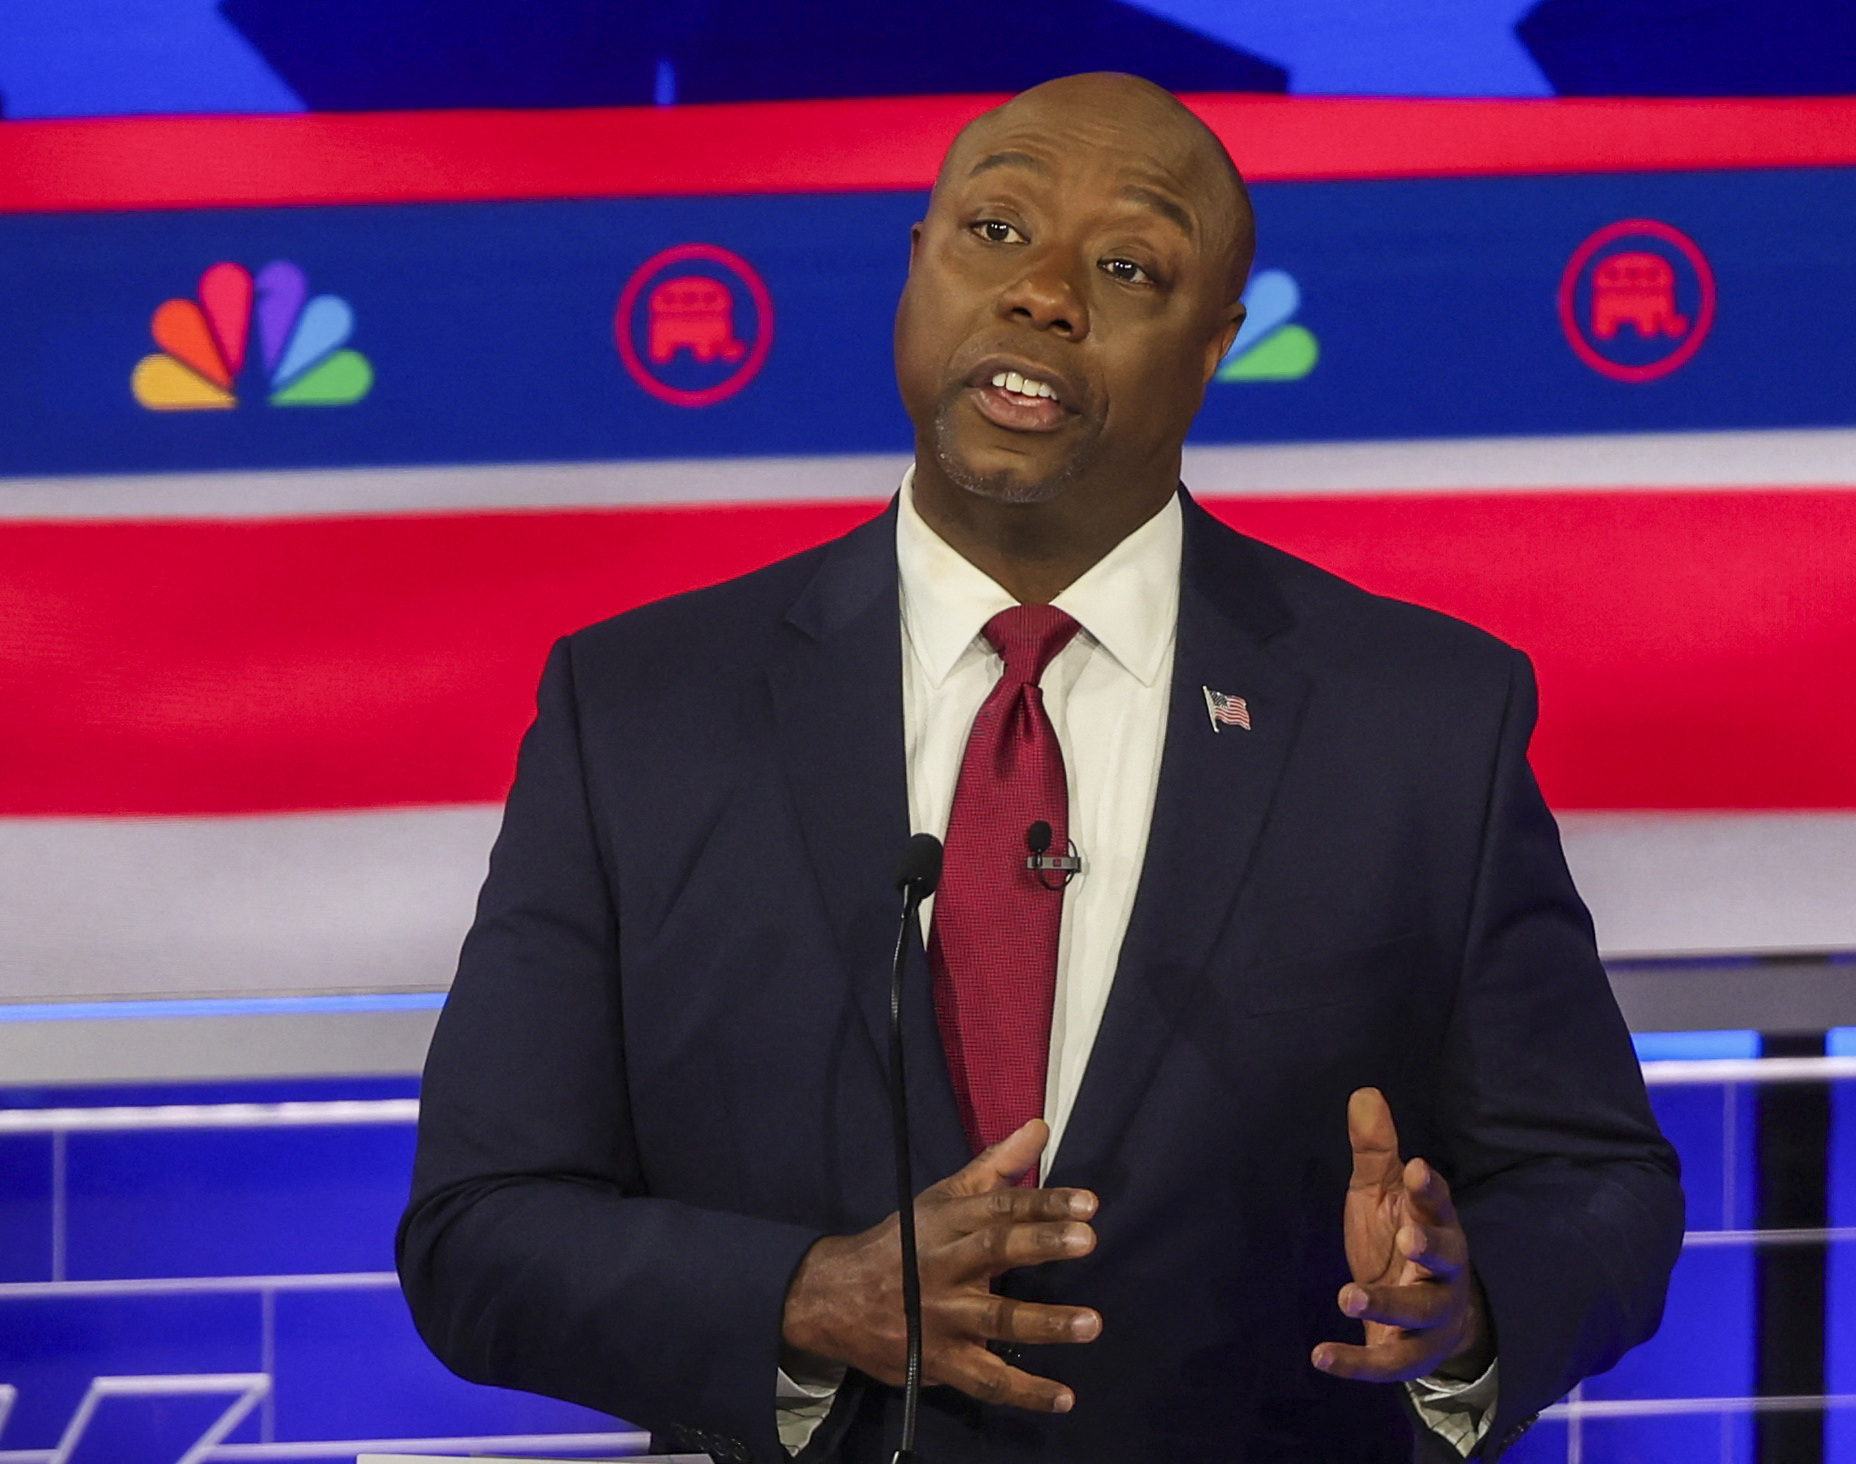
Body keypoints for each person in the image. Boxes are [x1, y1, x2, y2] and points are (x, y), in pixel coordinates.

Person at [399, 72, 1681, 1464]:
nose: (1044, 293)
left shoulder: (1420, 717)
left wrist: (1465, 1301)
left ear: (1213, 346)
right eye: (994, 231)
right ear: (915, 269)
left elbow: (1594, 1181)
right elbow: (482, 1229)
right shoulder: (644, 708)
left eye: (1128, 265)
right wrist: (806, 1299)